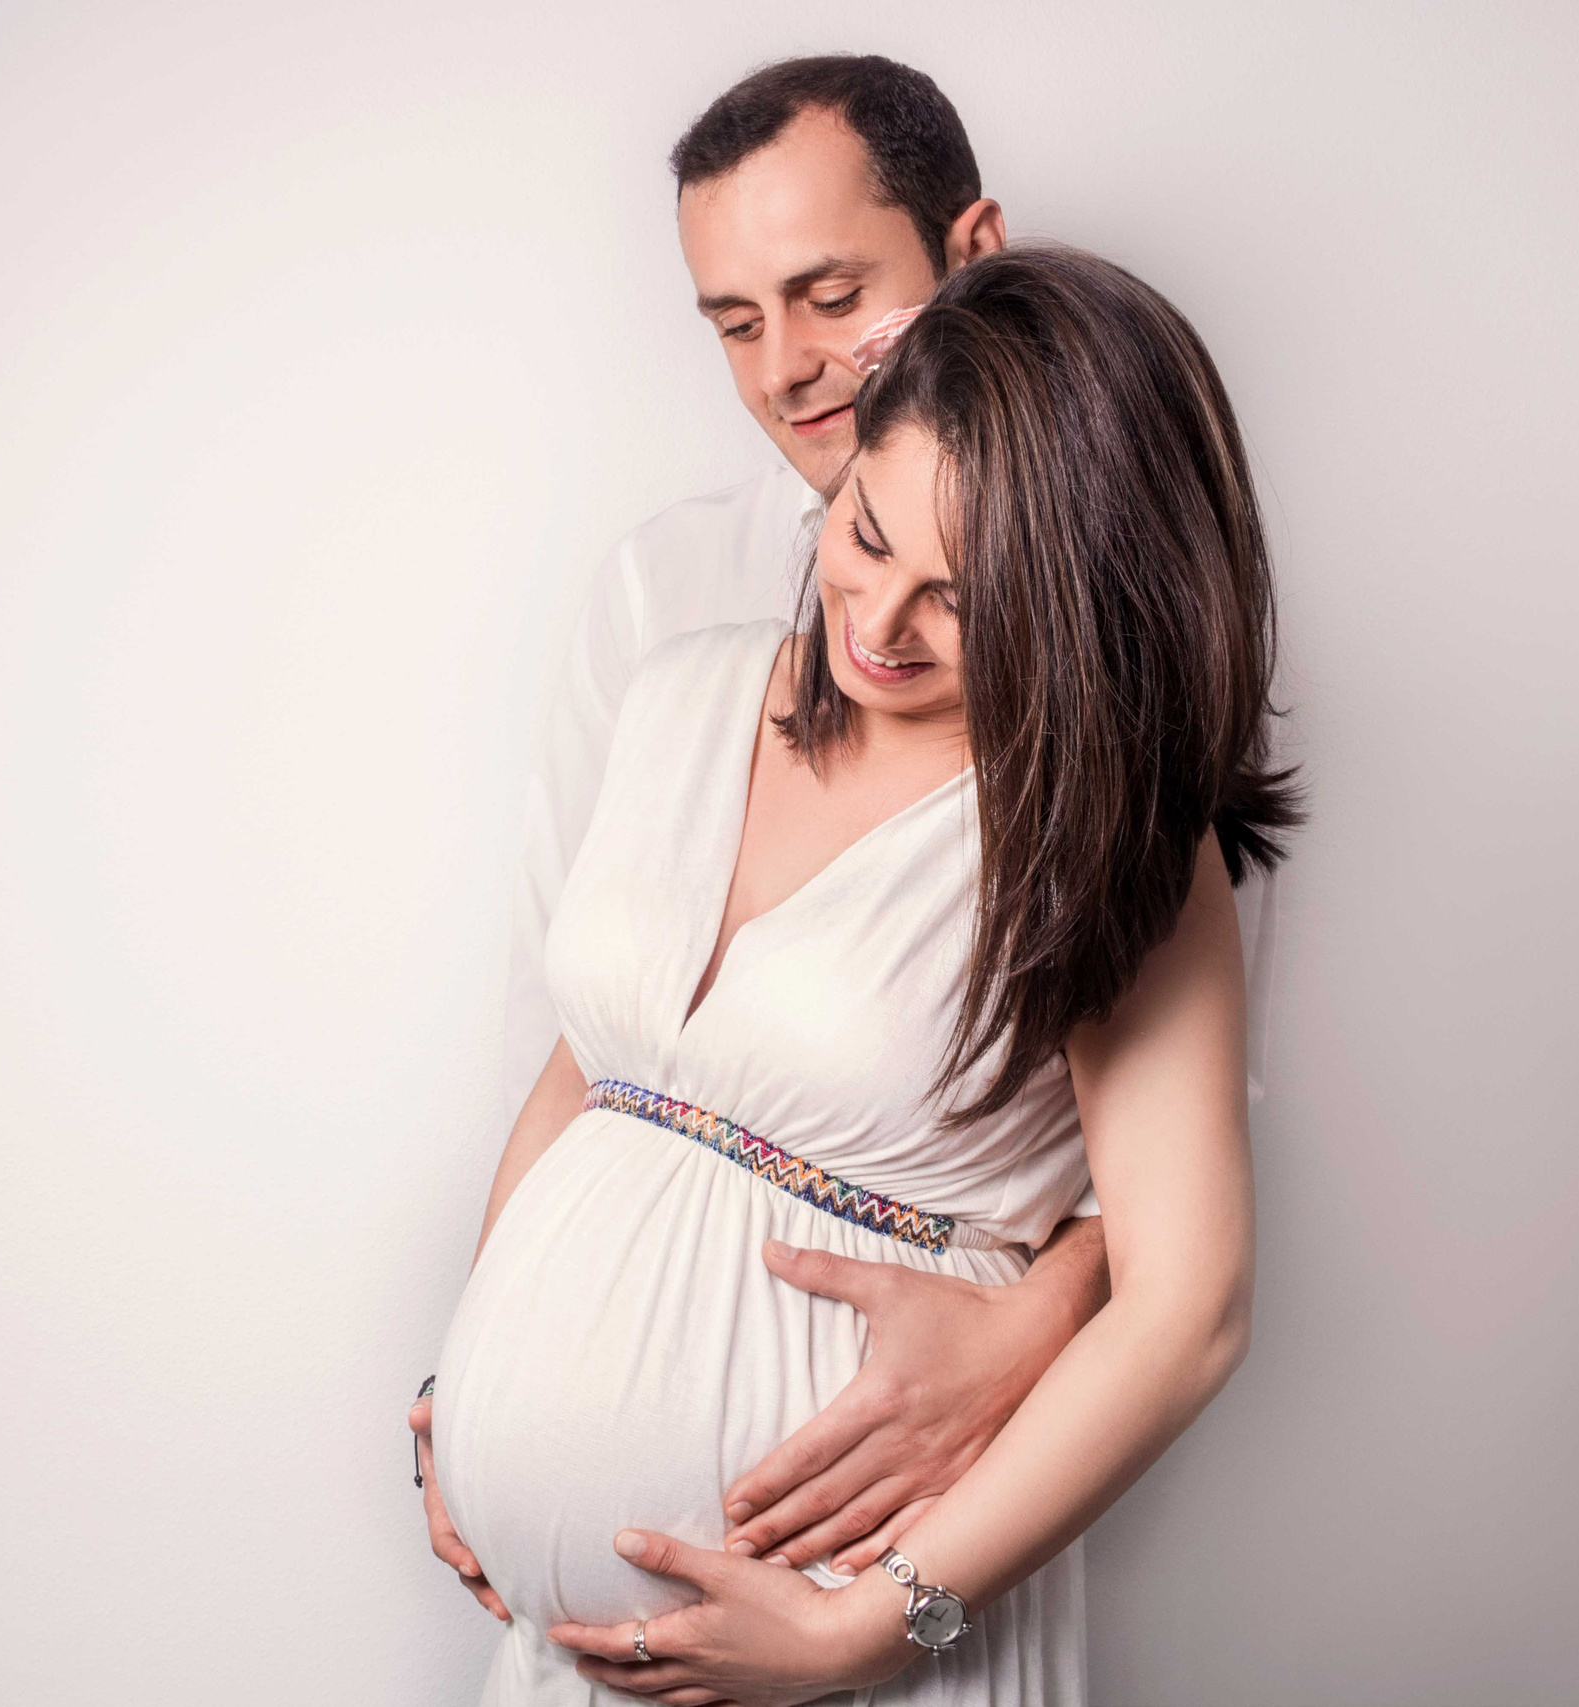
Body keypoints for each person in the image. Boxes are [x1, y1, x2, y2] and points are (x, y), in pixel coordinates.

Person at [429, 245, 1296, 1705]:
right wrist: (464, 1395)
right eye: (872, 534)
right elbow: (589, 1076)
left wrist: (868, 1627)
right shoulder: (683, 690)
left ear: (1081, 605)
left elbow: (1188, 1310)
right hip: (559, 1662)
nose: (881, 625)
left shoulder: (1102, 837)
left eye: (965, 601)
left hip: (856, 1652)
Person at [413, 56, 1124, 1633]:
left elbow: (1175, 1158)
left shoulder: (1115, 653)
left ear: (973, 250)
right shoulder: (665, 600)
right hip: (577, 1622)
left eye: (828, 293)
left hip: (880, 1538)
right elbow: (599, 1048)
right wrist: (478, 1364)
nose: (786, 368)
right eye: (736, 322)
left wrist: (1020, 1334)